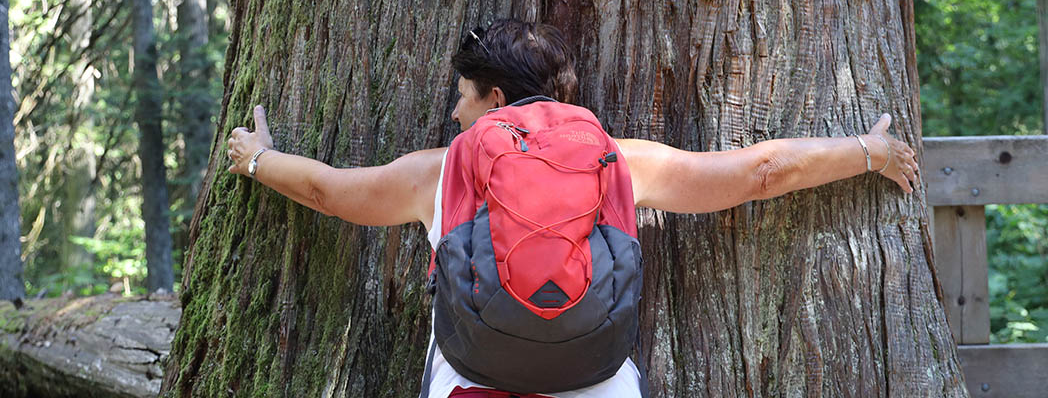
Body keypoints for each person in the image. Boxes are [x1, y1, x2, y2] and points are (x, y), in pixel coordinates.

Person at [226, 20, 920, 398]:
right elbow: (763, 172)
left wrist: (255, 157)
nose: (455, 110)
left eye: (463, 95)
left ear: (495, 99)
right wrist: (868, 152)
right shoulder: (619, 159)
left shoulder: (436, 174)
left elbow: (327, 190)